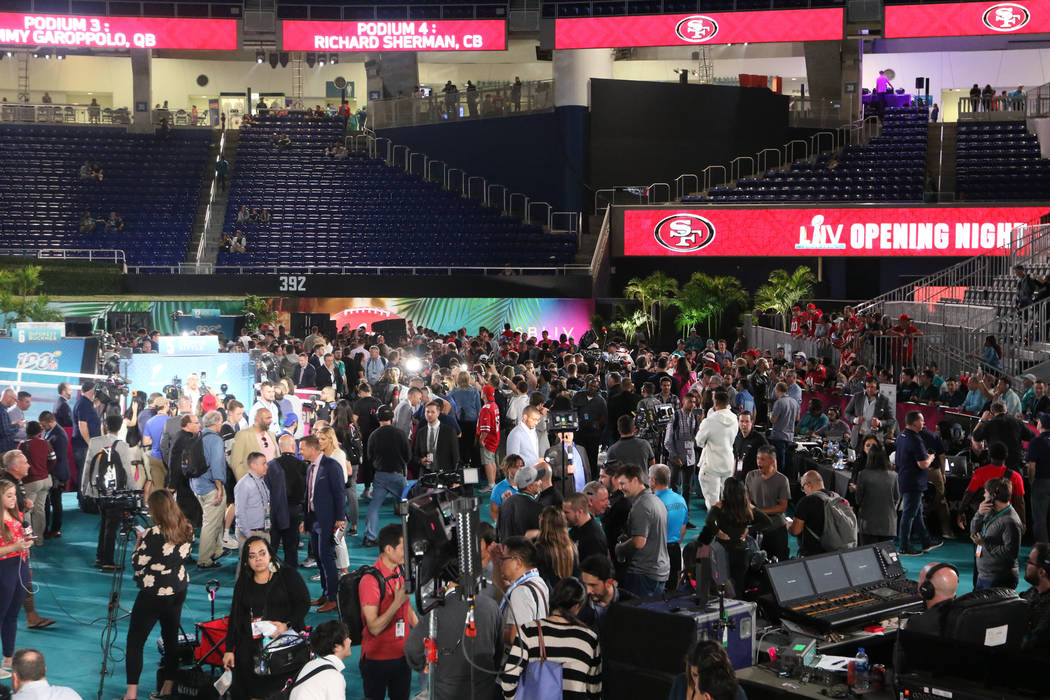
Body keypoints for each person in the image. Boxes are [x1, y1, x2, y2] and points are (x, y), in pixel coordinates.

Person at [123, 490, 193, 700]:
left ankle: (131, 693)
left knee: (135, 642)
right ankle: (168, 686)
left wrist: (138, 543)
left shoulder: (154, 534)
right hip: (178, 589)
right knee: (170, 636)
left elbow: (137, 562)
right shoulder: (187, 527)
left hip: (154, 593)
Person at [222, 536, 311, 700]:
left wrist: (286, 625)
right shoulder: (243, 583)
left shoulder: (287, 575)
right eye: (252, 556)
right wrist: (229, 649)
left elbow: (303, 603)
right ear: (246, 561)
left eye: (262, 553)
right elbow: (236, 616)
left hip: (284, 646)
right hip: (251, 648)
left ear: (270, 554)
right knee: (252, 691)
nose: (258, 559)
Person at [499, 577, 602, 700]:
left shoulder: (529, 630)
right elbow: (594, 689)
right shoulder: (590, 638)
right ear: (576, 606)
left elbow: (508, 680)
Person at [404, 574, 502, 700]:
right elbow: (498, 652)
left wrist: (423, 665)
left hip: (446, 692)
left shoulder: (435, 609)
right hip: (484, 690)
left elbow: (412, 649)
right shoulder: (492, 607)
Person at [358, 523, 417, 700]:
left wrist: (422, 633)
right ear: (388, 549)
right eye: (403, 547)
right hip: (377, 660)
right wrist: (396, 602)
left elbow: (408, 609)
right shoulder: (369, 581)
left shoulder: (400, 570)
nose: (407, 551)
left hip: (402, 656)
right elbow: (374, 627)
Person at [85, 415, 134, 571]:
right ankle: (107, 561)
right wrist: (132, 490)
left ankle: (100, 557)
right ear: (120, 427)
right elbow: (127, 471)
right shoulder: (123, 446)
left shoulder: (94, 442)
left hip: (97, 489)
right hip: (116, 491)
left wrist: (84, 488)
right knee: (112, 526)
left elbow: (87, 466)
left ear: (105, 426)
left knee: (105, 523)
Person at [301, 436, 344, 612]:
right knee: (319, 559)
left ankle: (333, 598)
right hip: (313, 520)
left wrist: (340, 518)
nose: (300, 451)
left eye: (302, 448)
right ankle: (325, 594)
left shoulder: (332, 466)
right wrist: (305, 520)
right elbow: (308, 495)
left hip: (328, 521)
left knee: (327, 558)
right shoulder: (310, 467)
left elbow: (340, 493)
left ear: (312, 449)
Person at [615, 463, 670, 597]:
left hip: (644, 574)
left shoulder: (642, 505)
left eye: (623, 484)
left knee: (639, 616)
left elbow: (639, 542)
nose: (621, 488)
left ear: (635, 480)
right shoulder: (656, 500)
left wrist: (620, 548)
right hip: (658, 570)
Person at [895, 410, 942, 556]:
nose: (924, 423)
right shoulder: (915, 439)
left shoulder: (901, 436)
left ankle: (925, 541)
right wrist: (931, 458)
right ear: (915, 422)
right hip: (913, 482)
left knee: (917, 513)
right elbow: (923, 464)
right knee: (909, 514)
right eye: (921, 421)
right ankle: (904, 546)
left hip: (905, 478)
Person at [364, 406, 409, 548]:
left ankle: (369, 537)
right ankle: (409, 536)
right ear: (392, 417)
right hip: (397, 475)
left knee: (374, 507)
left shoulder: (374, 435)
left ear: (378, 418)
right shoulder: (400, 434)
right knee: (406, 507)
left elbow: (369, 457)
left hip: (380, 476)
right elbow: (408, 456)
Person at [0, 479, 32, 679]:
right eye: (8, 495)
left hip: (21, 567)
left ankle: (8, 658)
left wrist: (28, 543)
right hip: (4, 570)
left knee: (12, 615)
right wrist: (14, 548)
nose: (13, 499)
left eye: (14, 495)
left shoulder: (18, 516)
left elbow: (24, 541)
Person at [190, 411, 227, 569]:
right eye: (221, 422)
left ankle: (217, 550)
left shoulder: (198, 436)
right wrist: (220, 488)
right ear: (217, 422)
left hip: (196, 485)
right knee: (210, 523)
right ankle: (204, 559)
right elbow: (217, 465)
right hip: (211, 486)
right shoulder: (215, 439)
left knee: (213, 519)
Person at [970, 477, 1022, 590]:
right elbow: (974, 534)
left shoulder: (1010, 521)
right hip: (983, 575)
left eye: (986, 493)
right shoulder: (990, 511)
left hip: (998, 579)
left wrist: (984, 544)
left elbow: (1011, 553)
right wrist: (979, 514)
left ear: (993, 495)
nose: (984, 496)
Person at [498, 536, 550, 645]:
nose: (500, 564)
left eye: (503, 559)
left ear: (518, 562)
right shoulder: (539, 581)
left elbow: (516, 638)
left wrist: (491, 632)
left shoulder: (520, 592)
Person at [744, 445, 790, 562]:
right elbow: (746, 499)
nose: (759, 462)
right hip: (756, 528)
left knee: (778, 563)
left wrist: (759, 512)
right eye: (758, 458)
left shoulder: (782, 480)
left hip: (776, 528)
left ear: (772, 461)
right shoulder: (751, 476)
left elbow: (782, 507)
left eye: (763, 459)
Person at [695, 390, 738, 508]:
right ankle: (726, 525)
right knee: (726, 500)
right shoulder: (735, 418)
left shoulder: (709, 421)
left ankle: (715, 525)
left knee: (712, 502)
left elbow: (699, 442)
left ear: (715, 403)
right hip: (728, 462)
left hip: (711, 464)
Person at [289, 620, 352, 700]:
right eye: (347, 638)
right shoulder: (334, 677)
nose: (350, 641)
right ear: (337, 647)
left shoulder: (310, 664)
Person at [268, 434, 305, 568]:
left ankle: (269, 573)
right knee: (291, 547)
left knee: (272, 546)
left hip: (276, 510)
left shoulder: (271, 465)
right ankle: (291, 575)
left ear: (279, 447)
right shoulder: (302, 466)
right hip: (294, 510)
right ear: (293, 446)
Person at [651, 464, 688, 592]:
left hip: (657, 553)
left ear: (653, 480)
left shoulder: (652, 502)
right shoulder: (681, 500)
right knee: (673, 591)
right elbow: (683, 529)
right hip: (675, 551)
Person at [668, 639, 745, 700]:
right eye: (694, 675)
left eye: (702, 675)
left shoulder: (734, 693)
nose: (698, 681)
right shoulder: (680, 682)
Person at [577, 554, 637, 633]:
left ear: (609, 582)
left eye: (593, 585)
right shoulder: (579, 604)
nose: (588, 591)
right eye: (585, 584)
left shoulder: (633, 605)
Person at [854, 444, 900, 545]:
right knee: (886, 557)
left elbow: (858, 499)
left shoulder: (863, 475)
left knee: (869, 557)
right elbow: (897, 498)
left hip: (868, 523)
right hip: (888, 523)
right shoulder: (894, 476)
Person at [17, 422, 54, 547]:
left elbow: (17, 462)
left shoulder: (23, 445)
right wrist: (45, 470)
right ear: (39, 432)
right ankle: (39, 539)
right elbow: (53, 459)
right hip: (46, 480)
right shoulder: (46, 443)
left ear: (27, 431)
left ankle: (28, 540)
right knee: (40, 509)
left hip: (31, 481)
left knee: (26, 510)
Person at [788, 471, 836, 557]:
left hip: (813, 554)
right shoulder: (835, 497)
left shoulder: (806, 501)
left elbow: (795, 531)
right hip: (834, 551)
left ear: (809, 485)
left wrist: (788, 526)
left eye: (803, 487)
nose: (803, 491)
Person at [38, 412, 68, 540]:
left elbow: (59, 458)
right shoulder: (48, 431)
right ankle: (46, 528)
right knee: (48, 502)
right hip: (50, 472)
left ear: (50, 421)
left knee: (56, 503)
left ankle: (56, 529)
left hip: (57, 474)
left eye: (44, 425)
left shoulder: (59, 435)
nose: (42, 428)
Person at [665, 392, 700, 502]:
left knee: (687, 488)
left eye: (694, 402)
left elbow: (697, 438)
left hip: (690, 457)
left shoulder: (695, 417)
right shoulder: (675, 416)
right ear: (683, 402)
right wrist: (675, 456)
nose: (692, 404)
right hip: (676, 456)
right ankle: (673, 510)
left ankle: (685, 512)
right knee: (673, 487)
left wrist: (701, 422)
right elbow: (667, 440)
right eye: (690, 401)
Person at [496, 464, 547, 541]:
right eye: (537, 480)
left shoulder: (505, 503)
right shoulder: (537, 508)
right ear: (529, 486)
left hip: (506, 550)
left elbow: (498, 532)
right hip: (525, 551)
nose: (540, 482)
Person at [234, 452, 270, 553]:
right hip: (250, 533)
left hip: (263, 530)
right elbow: (239, 511)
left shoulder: (261, 481)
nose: (266, 466)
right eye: (263, 463)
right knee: (246, 566)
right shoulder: (244, 484)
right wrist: (248, 534)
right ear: (253, 466)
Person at [534, 506, 578, 588]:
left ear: (543, 522)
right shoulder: (572, 547)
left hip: (549, 597)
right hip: (568, 595)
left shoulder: (540, 549)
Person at [844, 376, 894, 447]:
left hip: (875, 439)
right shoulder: (857, 397)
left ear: (877, 387)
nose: (869, 390)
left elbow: (891, 420)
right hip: (858, 437)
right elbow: (846, 413)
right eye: (867, 387)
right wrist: (855, 420)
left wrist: (879, 423)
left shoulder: (884, 400)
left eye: (872, 387)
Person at [412, 400, 459, 474]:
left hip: (444, 474)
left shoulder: (449, 432)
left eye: (433, 412)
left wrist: (455, 477)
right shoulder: (421, 432)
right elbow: (415, 454)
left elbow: (455, 456)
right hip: (425, 474)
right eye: (427, 412)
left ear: (438, 413)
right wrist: (420, 460)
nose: (429, 414)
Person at [563, 492, 608, 562]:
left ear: (579, 512)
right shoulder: (576, 528)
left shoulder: (594, 538)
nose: (563, 516)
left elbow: (596, 570)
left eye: (566, 512)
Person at [544, 429, 589, 499]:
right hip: (565, 496)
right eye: (566, 431)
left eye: (570, 431)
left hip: (583, 494)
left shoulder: (581, 449)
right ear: (559, 435)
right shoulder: (552, 451)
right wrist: (565, 470)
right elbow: (548, 471)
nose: (569, 434)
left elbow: (587, 471)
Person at [1021, 543, 1050, 653]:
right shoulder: (1033, 591)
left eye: (1029, 562)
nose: (1026, 565)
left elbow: (1032, 644)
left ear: (1042, 572)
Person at [1027, 413, 1050, 545]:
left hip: (1041, 482)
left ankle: (1042, 552)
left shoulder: (1036, 441)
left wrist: (1031, 481)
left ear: (1041, 424)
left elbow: (1031, 466)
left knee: (1040, 518)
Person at [72, 381, 101, 480]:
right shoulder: (83, 404)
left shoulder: (85, 402)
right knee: (85, 473)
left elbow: (92, 406)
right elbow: (82, 426)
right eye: (94, 391)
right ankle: (83, 495)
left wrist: (101, 399)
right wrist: (90, 443)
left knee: (86, 472)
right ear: (91, 391)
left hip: (83, 445)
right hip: (83, 446)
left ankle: (84, 494)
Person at [768, 383, 796, 479]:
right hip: (790, 436)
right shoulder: (794, 402)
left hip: (778, 436)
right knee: (787, 462)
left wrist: (770, 414)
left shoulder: (779, 402)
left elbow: (773, 420)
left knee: (779, 463)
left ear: (777, 390)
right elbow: (797, 418)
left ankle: (778, 481)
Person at [490, 453, 523, 524]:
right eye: (515, 467)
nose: (519, 469)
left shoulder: (528, 484)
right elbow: (494, 512)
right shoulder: (498, 488)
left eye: (521, 466)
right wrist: (502, 527)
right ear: (507, 468)